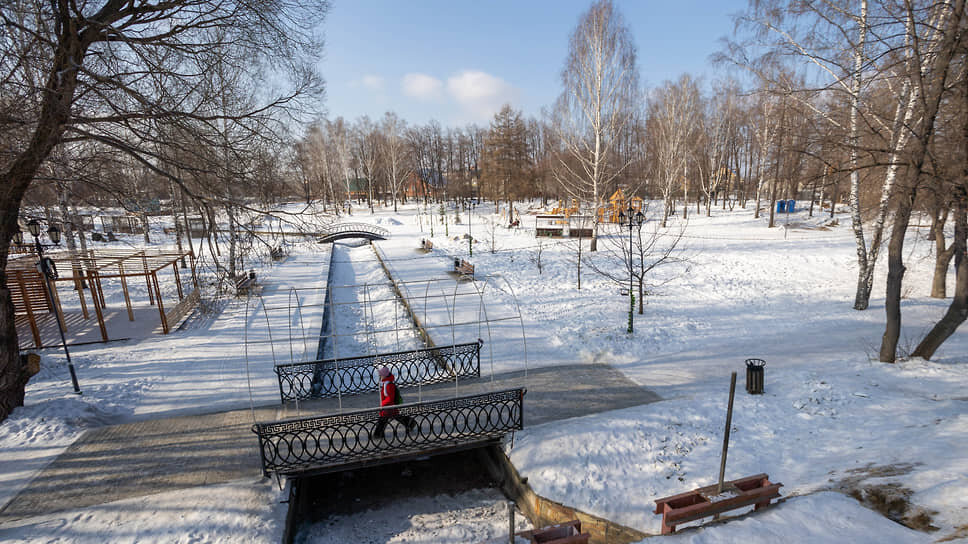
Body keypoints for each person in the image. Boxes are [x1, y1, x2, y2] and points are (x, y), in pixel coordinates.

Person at [372, 366, 417, 440]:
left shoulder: (388, 385)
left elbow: (390, 398)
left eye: (381, 375)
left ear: (385, 375)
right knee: (396, 416)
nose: (380, 376)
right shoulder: (386, 383)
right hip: (389, 406)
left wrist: (383, 403)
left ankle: (378, 434)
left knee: (382, 420)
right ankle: (410, 423)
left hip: (388, 406)